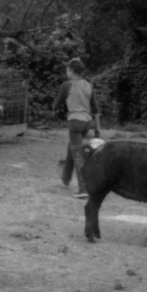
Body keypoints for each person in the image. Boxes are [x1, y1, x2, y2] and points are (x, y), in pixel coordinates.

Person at [52, 58, 101, 199]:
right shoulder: (89, 86)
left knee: (77, 154)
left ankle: (83, 188)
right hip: (87, 123)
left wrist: (54, 110)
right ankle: (65, 178)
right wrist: (98, 129)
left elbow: (56, 105)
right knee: (73, 149)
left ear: (72, 71)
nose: (66, 72)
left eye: (67, 69)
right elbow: (96, 109)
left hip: (74, 122)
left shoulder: (66, 85)